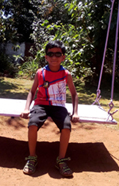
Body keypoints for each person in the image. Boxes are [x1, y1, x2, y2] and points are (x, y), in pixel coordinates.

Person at [20, 40, 79, 178]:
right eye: (50, 54)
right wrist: (26, 108)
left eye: (58, 54)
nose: (54, 57)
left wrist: (75, 112)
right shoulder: (40, 73)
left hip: (58, 106)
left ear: (63, 57)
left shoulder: (66, 74)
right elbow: (32, 91)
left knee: (66, 127)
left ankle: (61, 160)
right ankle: (32, 157)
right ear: (46, 57)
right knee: (32, 124)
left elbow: (74, 94)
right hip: (41, 104)